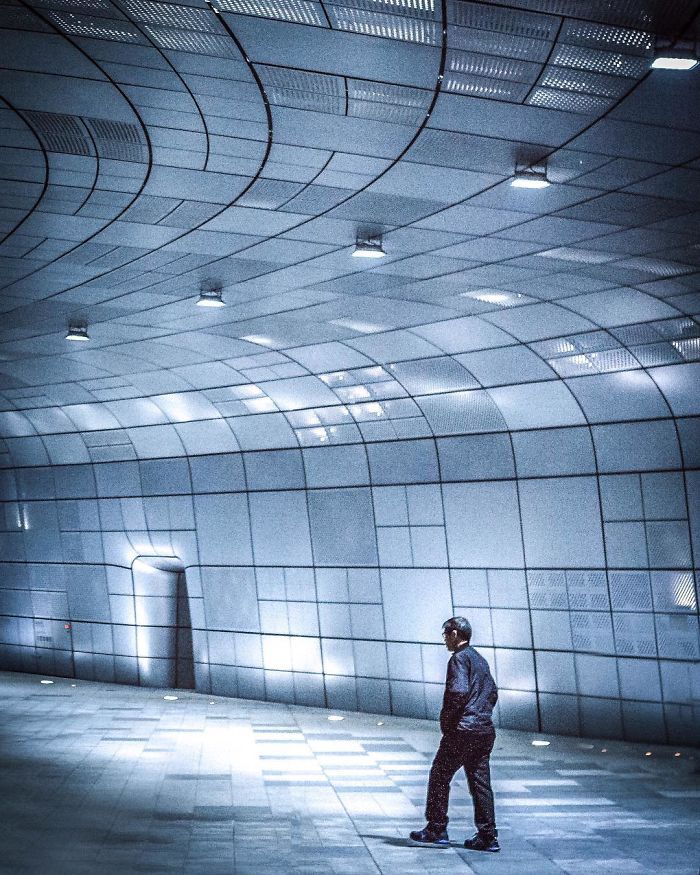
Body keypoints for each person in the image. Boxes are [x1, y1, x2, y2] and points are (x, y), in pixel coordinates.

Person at [409, 616, 500, 852]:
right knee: (480, 783)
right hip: (484, 731)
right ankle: (488, 836)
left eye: (445, 635)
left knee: (439, 775)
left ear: (455, 634)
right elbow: (493, 692)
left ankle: (436, 829)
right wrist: (481, 714)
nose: (444, 640)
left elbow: (458, 692)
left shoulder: (458, 659)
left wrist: (447, 721)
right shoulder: (479, 659)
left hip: (463, 731)